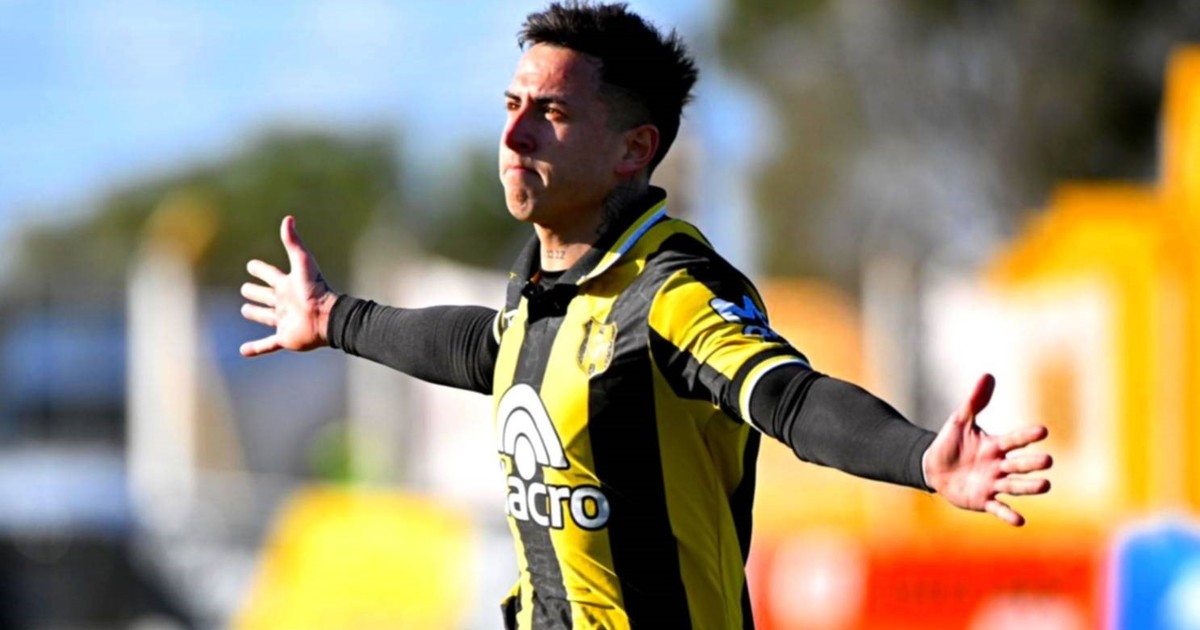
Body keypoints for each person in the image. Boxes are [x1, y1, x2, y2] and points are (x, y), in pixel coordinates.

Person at [238, 3, 1053, 628]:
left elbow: (789, 397)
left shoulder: (673, 292)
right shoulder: (543, 287)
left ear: (633, 149)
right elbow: (483, 347)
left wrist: (919, 458)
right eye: (511, 104)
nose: (514, 134)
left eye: (551, 114)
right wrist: (334, 316)